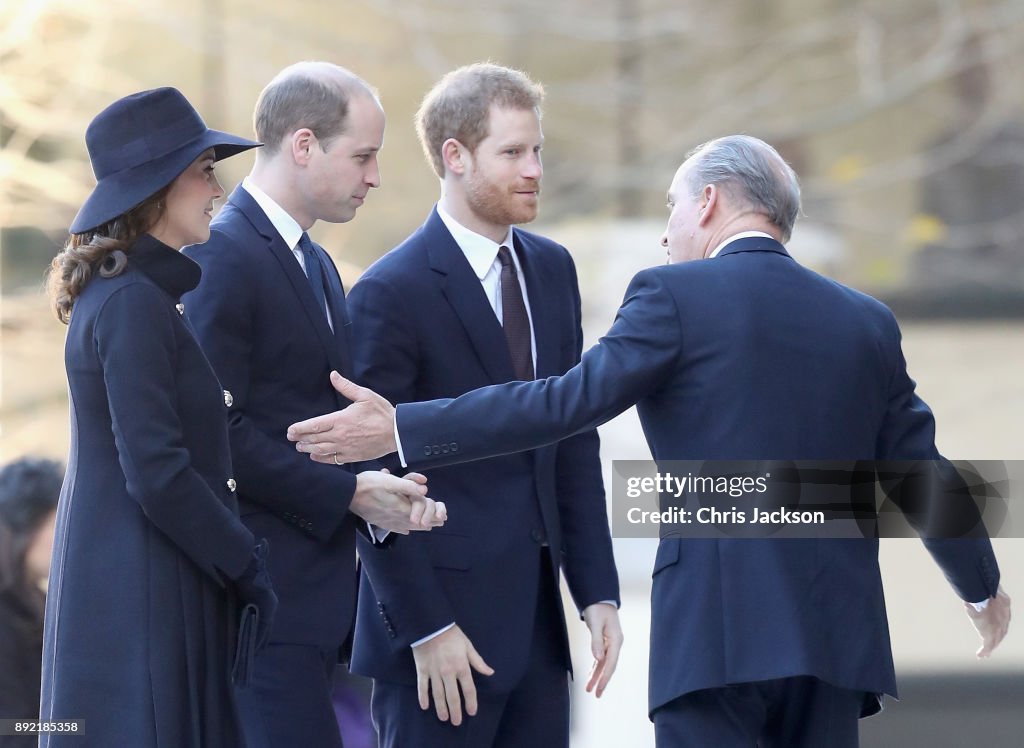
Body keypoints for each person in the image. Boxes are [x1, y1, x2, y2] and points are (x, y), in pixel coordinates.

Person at [289, 135, 1012, 747]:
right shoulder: (866, 321)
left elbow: (561, 404)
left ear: (708, 203)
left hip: (715, 642)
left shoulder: (673, 297)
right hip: (833, 644)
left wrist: (405, 427)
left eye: (673, 205)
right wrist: (980, 588)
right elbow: (923, 471)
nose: (668, 232)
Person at [344, 63, 622, 748]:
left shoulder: (553, 270)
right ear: (455, 156)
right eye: (513, 153)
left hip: (538, 635)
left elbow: (573, 436)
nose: (534, 169)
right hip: (439, 648)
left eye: (538, 151)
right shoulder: (388, 292)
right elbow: (371, 474)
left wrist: (597, 590)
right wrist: (427, 628)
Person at [181, 62, 444, 748]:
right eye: (363, 155)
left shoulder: (318, 264)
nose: (375, 176)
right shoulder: (223, 256)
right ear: (303, 146)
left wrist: (380, 485)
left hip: (311, 613)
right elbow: (215, 432)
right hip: (254, 610)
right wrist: (349, 494)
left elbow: (321, 426)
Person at [42, 87, 276, 747]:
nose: (216, 187)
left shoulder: (131, 295)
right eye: (204, 170)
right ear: (157, 189)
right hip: (145, 605)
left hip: (145, 593)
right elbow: (157, 471)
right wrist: (245, 560)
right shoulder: (131, 303)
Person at [0, 458, 62, 748]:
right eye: (54, 522)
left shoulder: (35, 600)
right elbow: (10, 727)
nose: (65, 532)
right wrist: (81, 725)